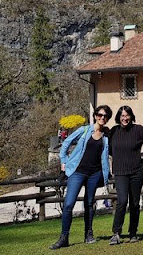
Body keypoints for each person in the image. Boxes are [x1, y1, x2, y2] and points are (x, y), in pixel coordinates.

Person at [49, 105, 112, 250]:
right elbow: (66, 143)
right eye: (100, 115)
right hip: (77, 172)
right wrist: (64, 161)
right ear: (95, 115)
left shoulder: (106, 136)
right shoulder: (84, 130)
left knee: (89, 204)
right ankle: (64, 237)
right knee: (69, 204)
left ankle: (88, 234)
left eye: (106, 116)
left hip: (94, 174)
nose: (102, 118)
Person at [108, 105, 143, 244]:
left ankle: (133, 233)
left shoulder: (138, 130)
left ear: (131, 116)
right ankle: (116, 233)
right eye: (122, 116)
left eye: (127, 115)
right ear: (118, 117)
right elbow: (108, 149)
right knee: (122, 201)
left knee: (135, 203)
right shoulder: (113, 131)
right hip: (120, 172)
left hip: (136, 171)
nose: (125, 118)